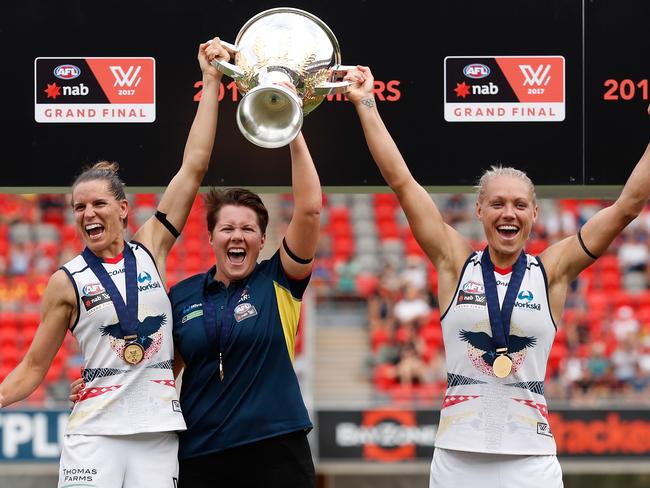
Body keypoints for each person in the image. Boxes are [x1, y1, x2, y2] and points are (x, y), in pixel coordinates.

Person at [345, 65, 650, 487]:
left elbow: (628, 206)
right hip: (457, 459)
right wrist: (366, 104)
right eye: (498, 204)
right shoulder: (454, 262)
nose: (509, 213)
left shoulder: (552, 271)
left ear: (534, 214)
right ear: (480, 211)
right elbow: (401, 182)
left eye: (520, 205)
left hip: (532, 460)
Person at [0, 37, 231, 487]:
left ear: (123, 209)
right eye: (78, 207)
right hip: (95, 433)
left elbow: (194, 167)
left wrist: (210, 78)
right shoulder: (65, 281)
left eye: (98, 204)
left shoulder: (151, 248)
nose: (88, 214)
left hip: (157, 434)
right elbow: (31, 368)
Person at [169, 122, 321, 487]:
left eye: (248, 229)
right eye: (227, 228)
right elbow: (160, 373)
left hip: (276, 450)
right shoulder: (182, 294)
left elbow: (310, 209)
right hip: (202, 454)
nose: (237, 236)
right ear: (210, 237)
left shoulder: (279, 279)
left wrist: (292, 127)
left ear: (263, 238)